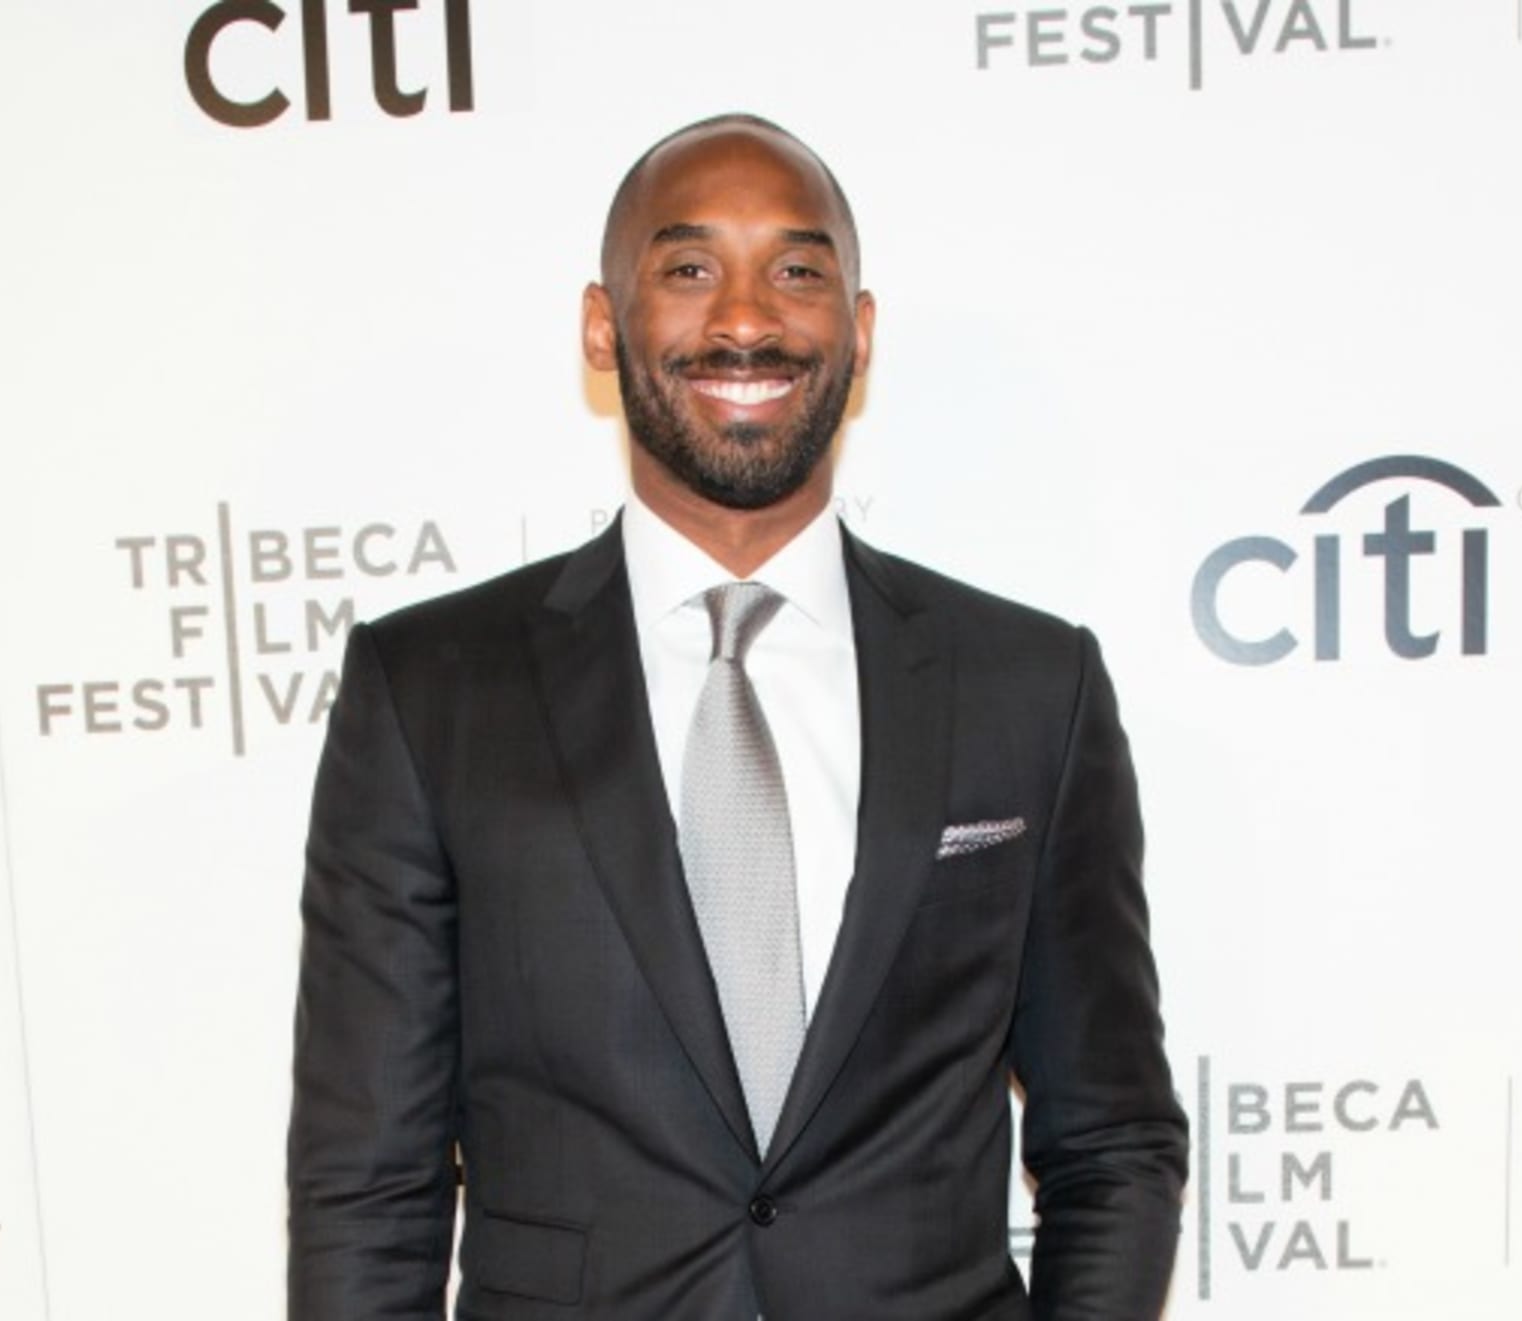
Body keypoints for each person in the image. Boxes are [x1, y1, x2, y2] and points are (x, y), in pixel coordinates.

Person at [287, 113, 1187, 1320]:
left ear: (857, 335)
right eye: (689, 268)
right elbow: (369, 1180)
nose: (747, 318)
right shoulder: (431, 689)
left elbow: (1113, 1139)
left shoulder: (1028, 684)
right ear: (603, 328)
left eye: (798, 271)